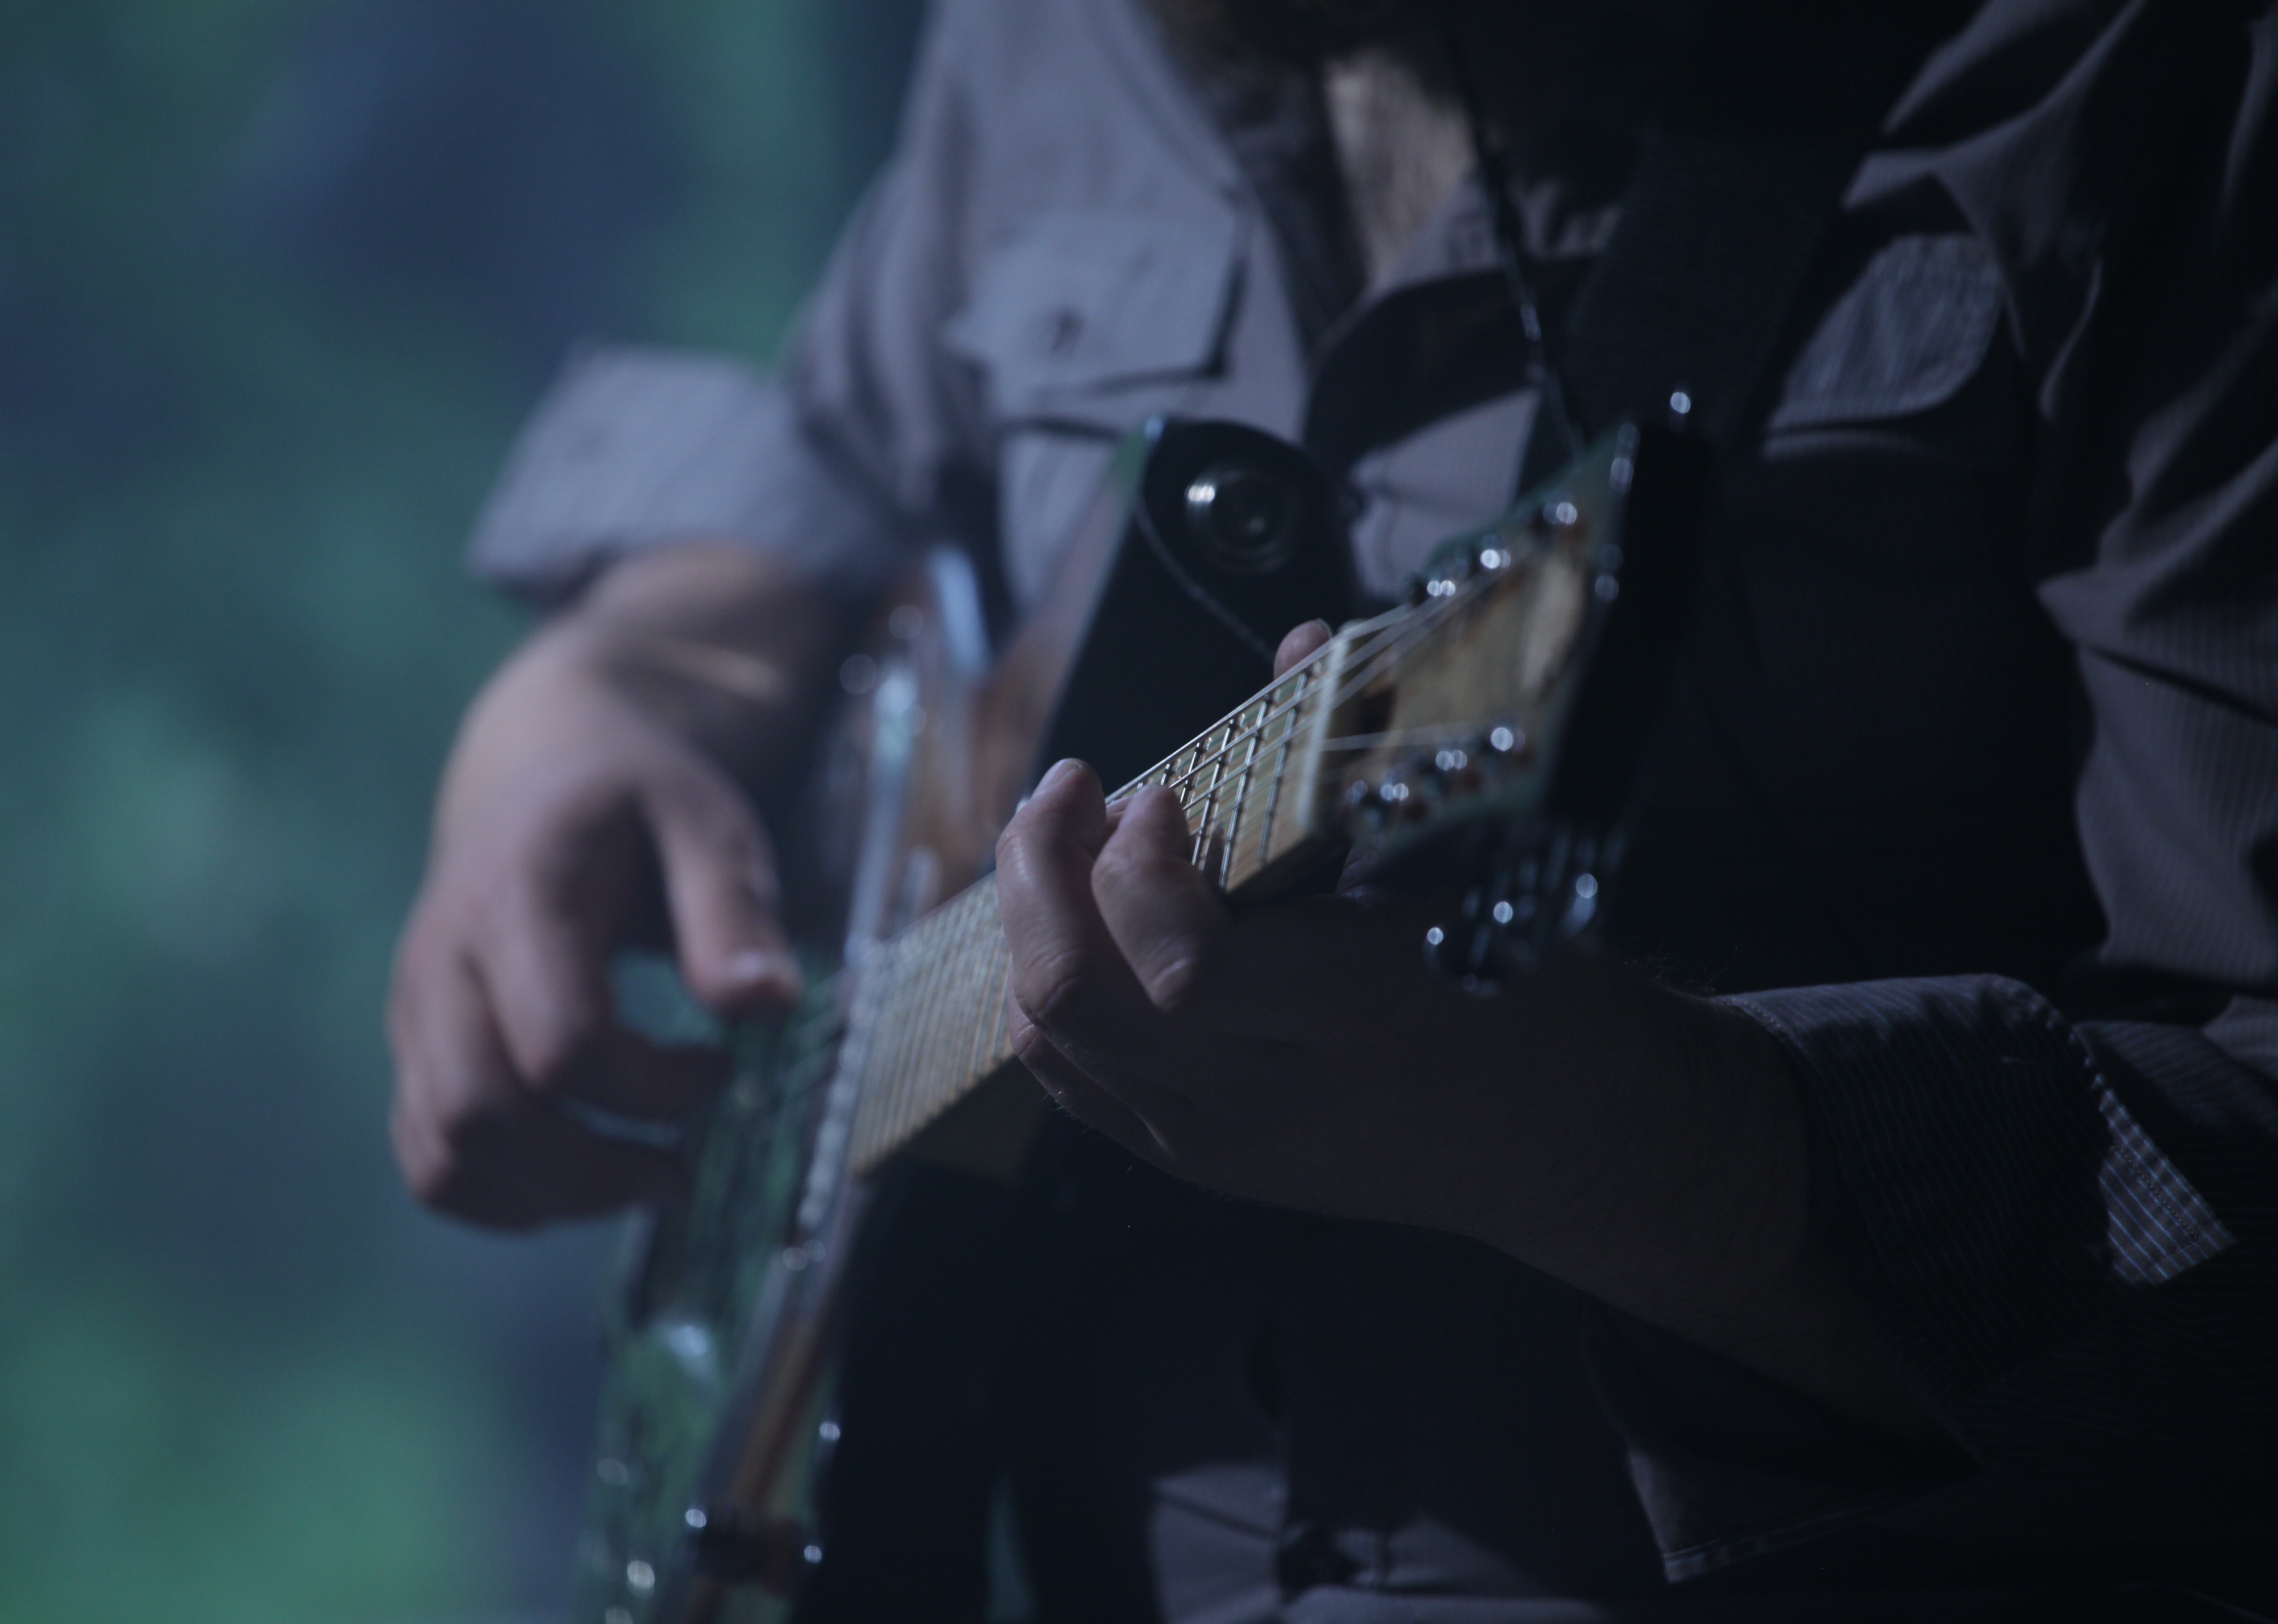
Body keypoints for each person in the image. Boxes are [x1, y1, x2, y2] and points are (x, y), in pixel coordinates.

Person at [388, 0, 2278, 1617]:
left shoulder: (2132, 69)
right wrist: (631, 680)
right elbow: (856, 451)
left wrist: (1645, 1146)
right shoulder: (1053, 38)